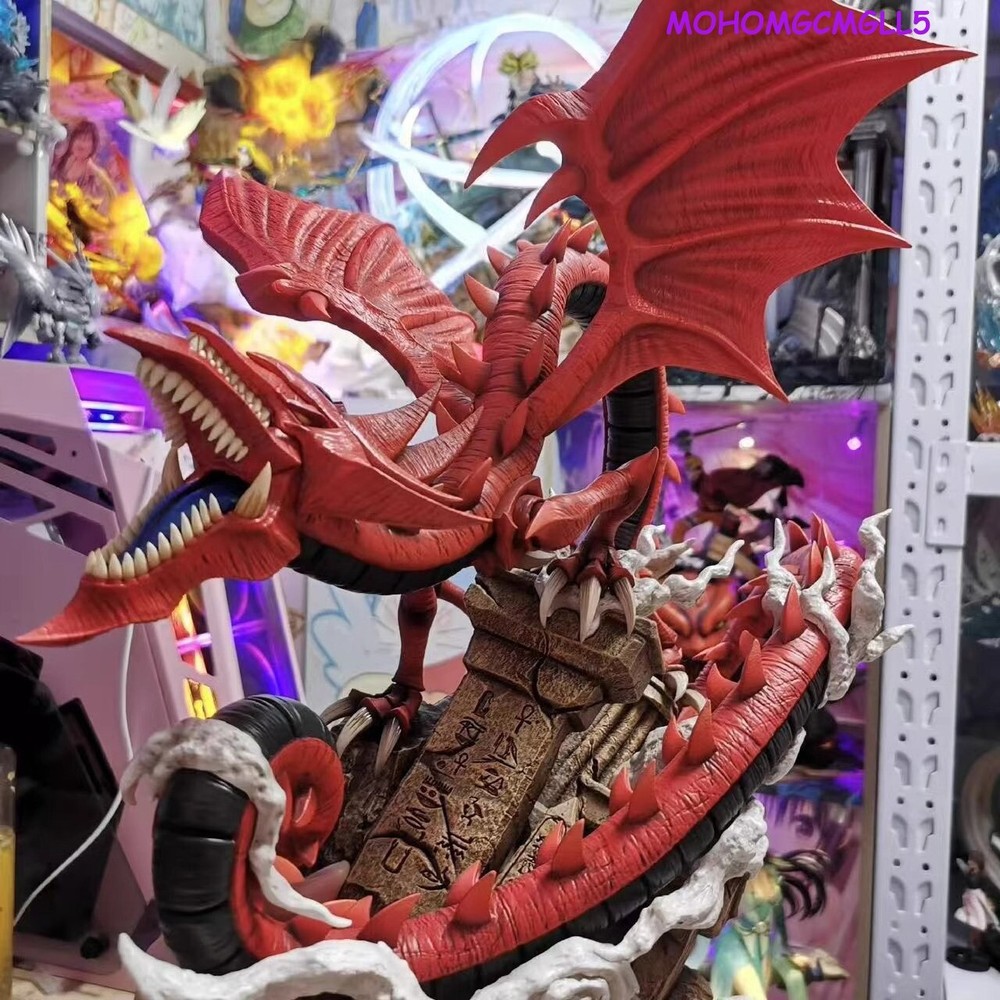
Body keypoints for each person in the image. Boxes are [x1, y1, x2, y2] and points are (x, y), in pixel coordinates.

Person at [51, 121, 116, 214]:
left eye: (87, 139)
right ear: (72, 141)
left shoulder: (96, 173)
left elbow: (110, 196)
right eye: (79, 137)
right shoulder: (59, 162)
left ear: (93, 145)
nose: (82, 142)